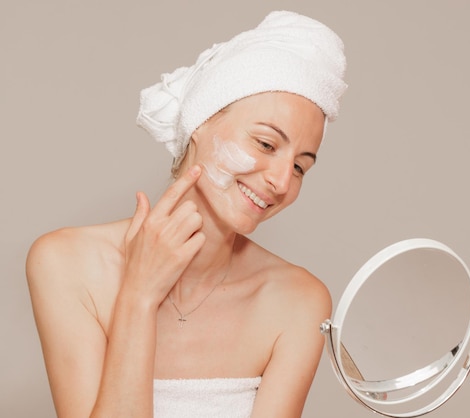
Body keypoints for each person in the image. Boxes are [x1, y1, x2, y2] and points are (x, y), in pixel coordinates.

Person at [26, 11, 347, 418]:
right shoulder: (65, 264)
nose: (282, 181)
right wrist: (138, 297)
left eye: (301, 166)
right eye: (266, 144)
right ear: (201, 121)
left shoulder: (298, 302)